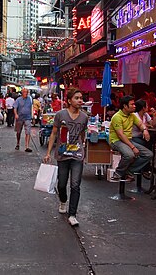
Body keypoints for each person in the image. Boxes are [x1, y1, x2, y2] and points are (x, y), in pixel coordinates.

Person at [43, 87, 88, 227]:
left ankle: (73, 214)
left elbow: (82, 134)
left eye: (81, 98)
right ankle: (63, 200)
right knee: (61, 184)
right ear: (69, 101)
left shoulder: (84, 117)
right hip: (62, 154)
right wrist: (48, 153)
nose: (80, 100)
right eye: (77, 98)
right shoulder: (60, 115)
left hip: (77, 155)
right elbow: (54, 134)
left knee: (75, 185)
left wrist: (83, 148)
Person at [109, 95, 153, 181]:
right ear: (125, 106)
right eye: (132, 104)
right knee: (129, 155)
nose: (134, 106)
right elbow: (121, 135)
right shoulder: (117, 117)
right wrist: (133, 147)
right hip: (117, 141)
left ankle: (129, 171)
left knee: (149, 154)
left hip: (128, 140)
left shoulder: (132, 115)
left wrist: (144, 130)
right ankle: (118, 173)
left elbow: (140, 124)